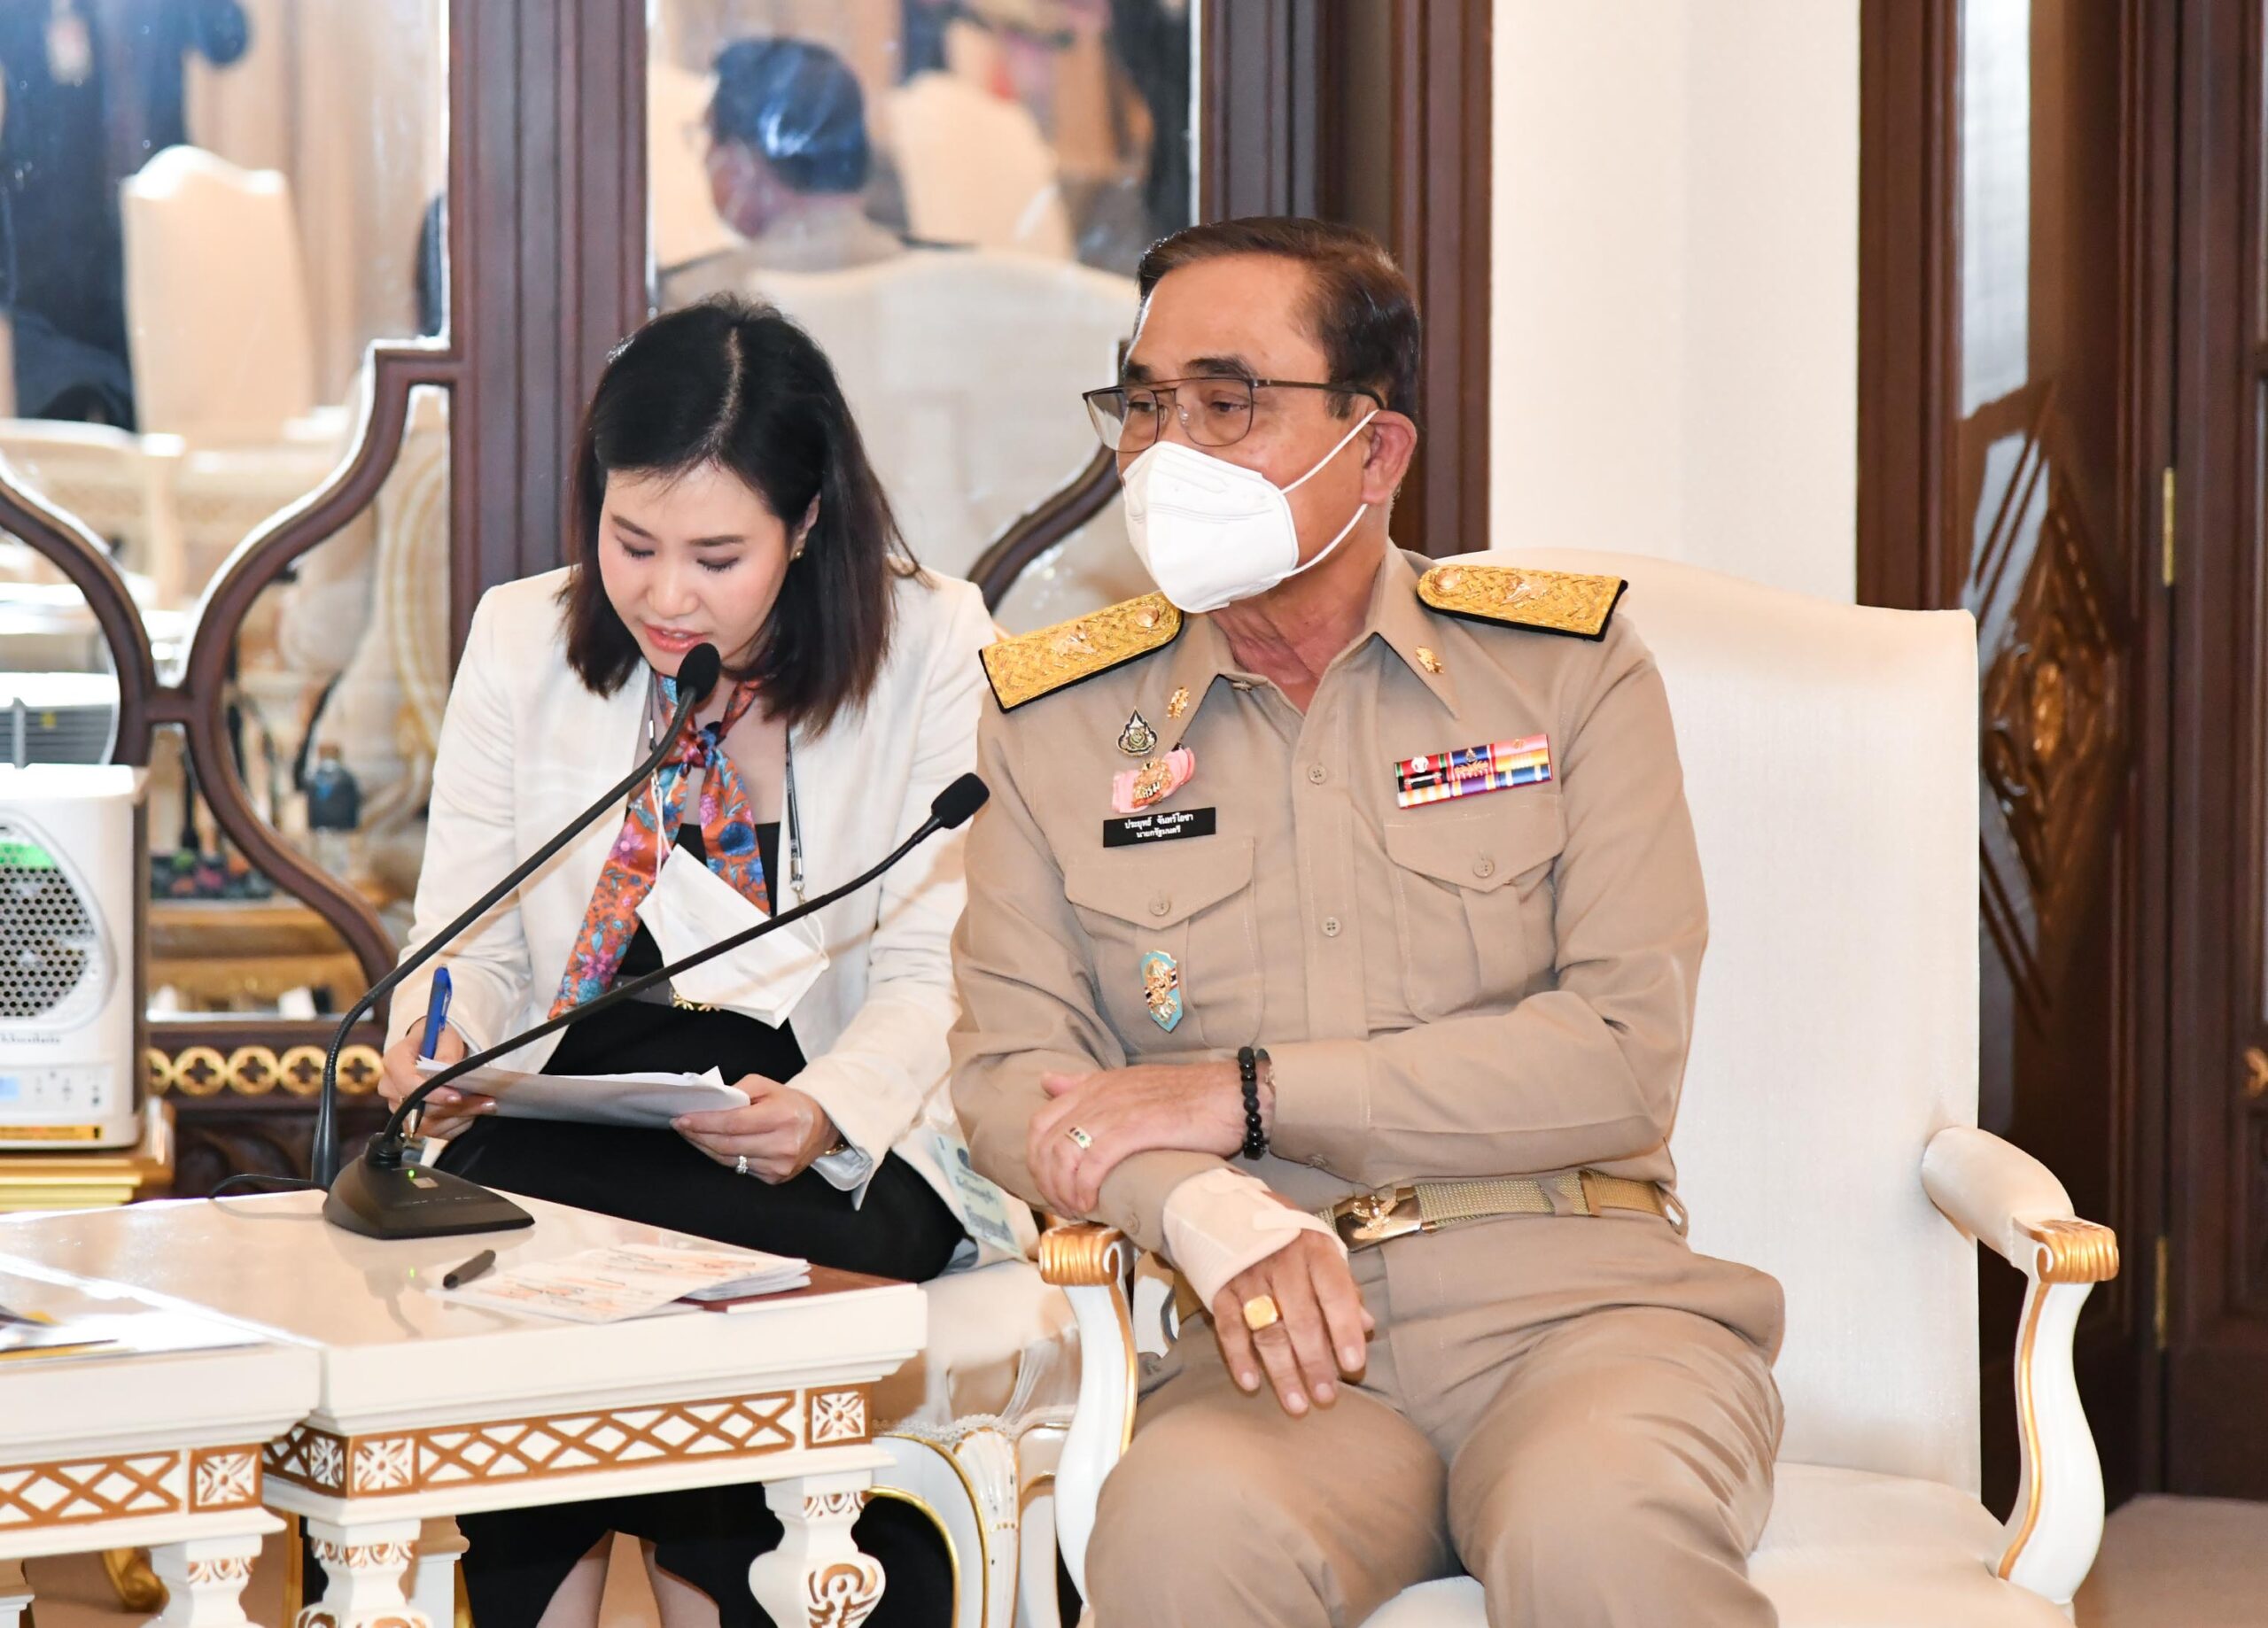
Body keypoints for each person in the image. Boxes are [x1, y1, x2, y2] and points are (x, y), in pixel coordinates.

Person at [948, 217, 1787, 1627]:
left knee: (1597, 1532)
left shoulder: (1562, 673)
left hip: (1585, 1309)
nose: (1165, 453)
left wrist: (1248, 1094)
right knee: (1173, 1535)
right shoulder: (1060, 721)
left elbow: (1621, 1054)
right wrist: (1197, 1201)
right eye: (1143, 405)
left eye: (1227, 403)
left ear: (1375, 449)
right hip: (1269, 1345)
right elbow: (1005, 1077)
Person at [377, 297, 1022, 1628]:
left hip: (842, 1135)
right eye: (632, 543)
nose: (666, 595)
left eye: (717, 555)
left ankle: (731, 1586)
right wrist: (440, 1040)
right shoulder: (522, 638)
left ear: (809, 521)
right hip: (591, 1110)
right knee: (502, 1238)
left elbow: (936, 973)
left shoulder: (939, 649)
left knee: (689, 1272)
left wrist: (824, 1110)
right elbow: (470, 944)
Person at [660, 38, 905, 310]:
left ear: (743, 164)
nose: (706, 158)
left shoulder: (701, 301)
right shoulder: (931, 274)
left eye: (708, 136)